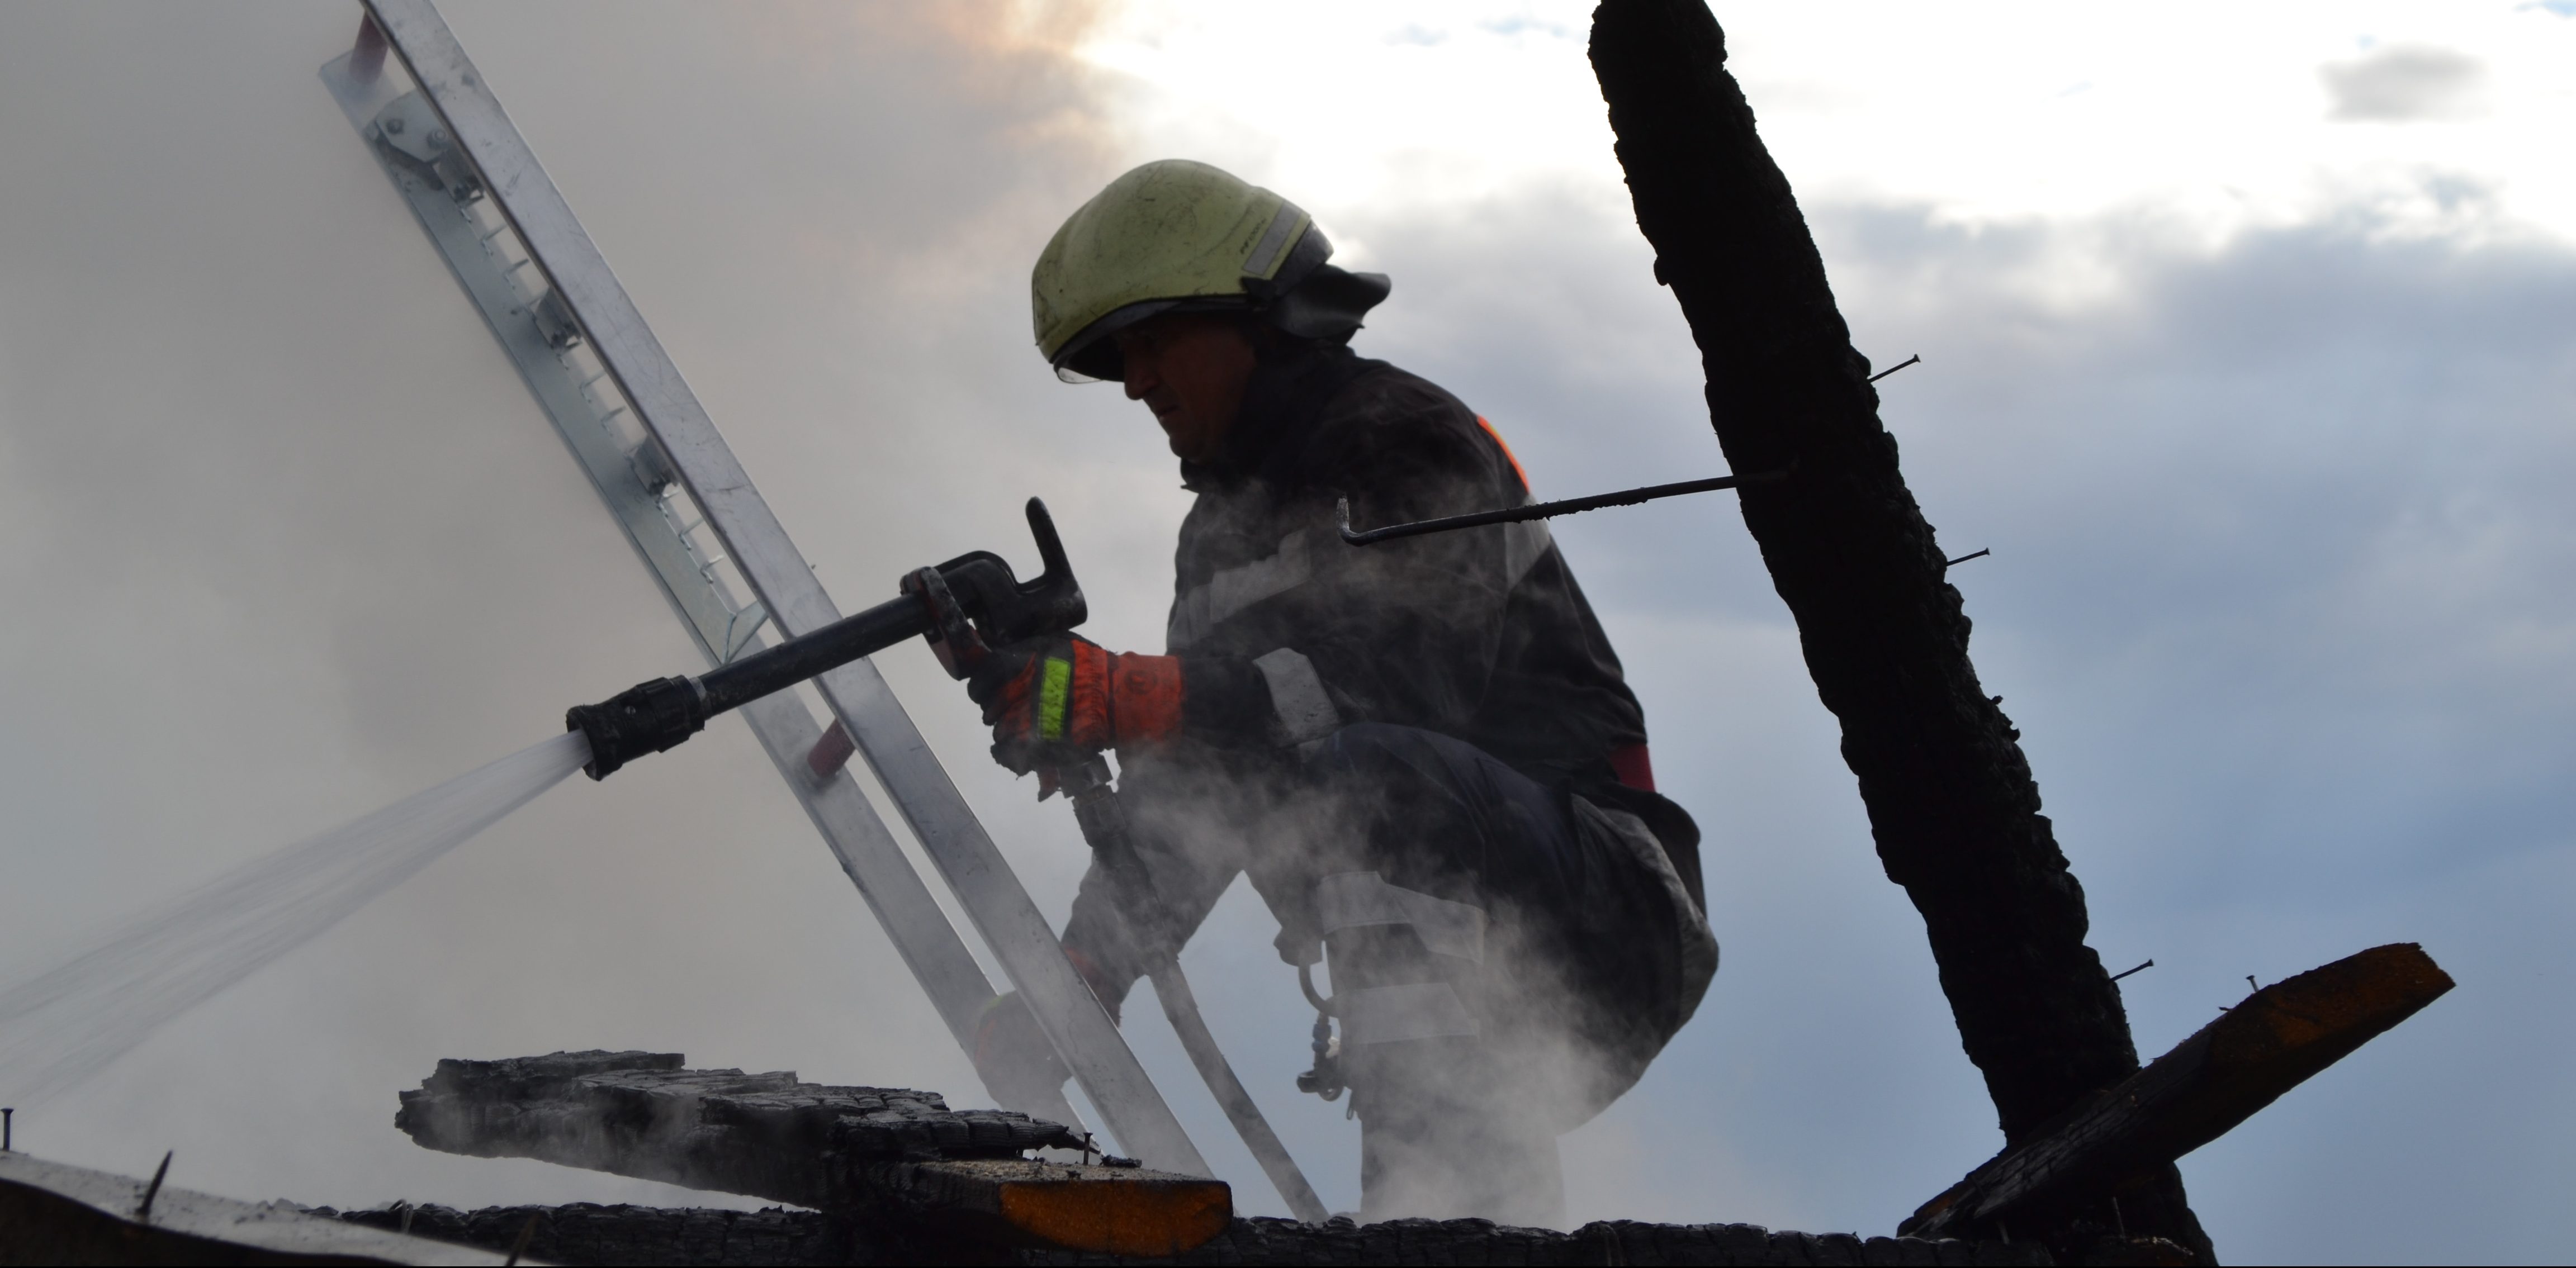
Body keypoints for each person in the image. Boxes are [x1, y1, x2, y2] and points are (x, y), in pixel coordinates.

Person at [966, 159, 1715, 1227]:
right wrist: (1085, 975)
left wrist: (1133, 694)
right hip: (1445, 911)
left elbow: (1409, 685)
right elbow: (1198, 791)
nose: (1138, 382)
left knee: (1374, 775)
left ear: (1257, 322)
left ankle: (1451, 1219)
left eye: (1154, 339)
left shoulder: (1407, 437)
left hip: (1605, 899)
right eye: (1119, 359)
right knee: (1355, 783)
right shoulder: (1215, 538)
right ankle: (1432, 1210)